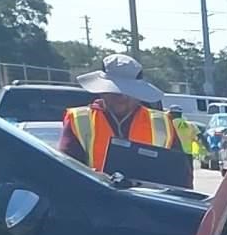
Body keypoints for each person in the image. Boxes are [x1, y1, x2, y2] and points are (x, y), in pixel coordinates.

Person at [56, 53, 192, 188]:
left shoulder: (162, 123)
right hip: (94, 202)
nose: (122, 97)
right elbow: (66, 172)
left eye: (128, 91)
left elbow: (182, 179)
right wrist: (95, 178)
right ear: (102, 90)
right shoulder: (79, 120)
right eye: (115, 91)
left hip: (148, 205)